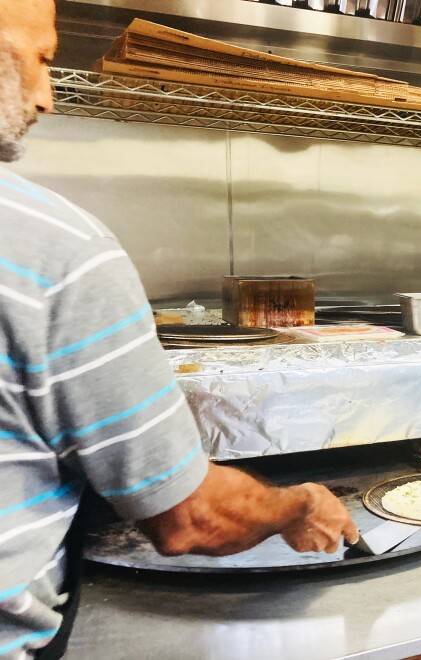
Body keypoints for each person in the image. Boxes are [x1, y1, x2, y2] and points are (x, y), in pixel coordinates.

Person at [0, 2, 359, 657]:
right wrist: (298, 505)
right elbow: (190, 518)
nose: (48, 98)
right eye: (43, 60)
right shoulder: (58, 252)